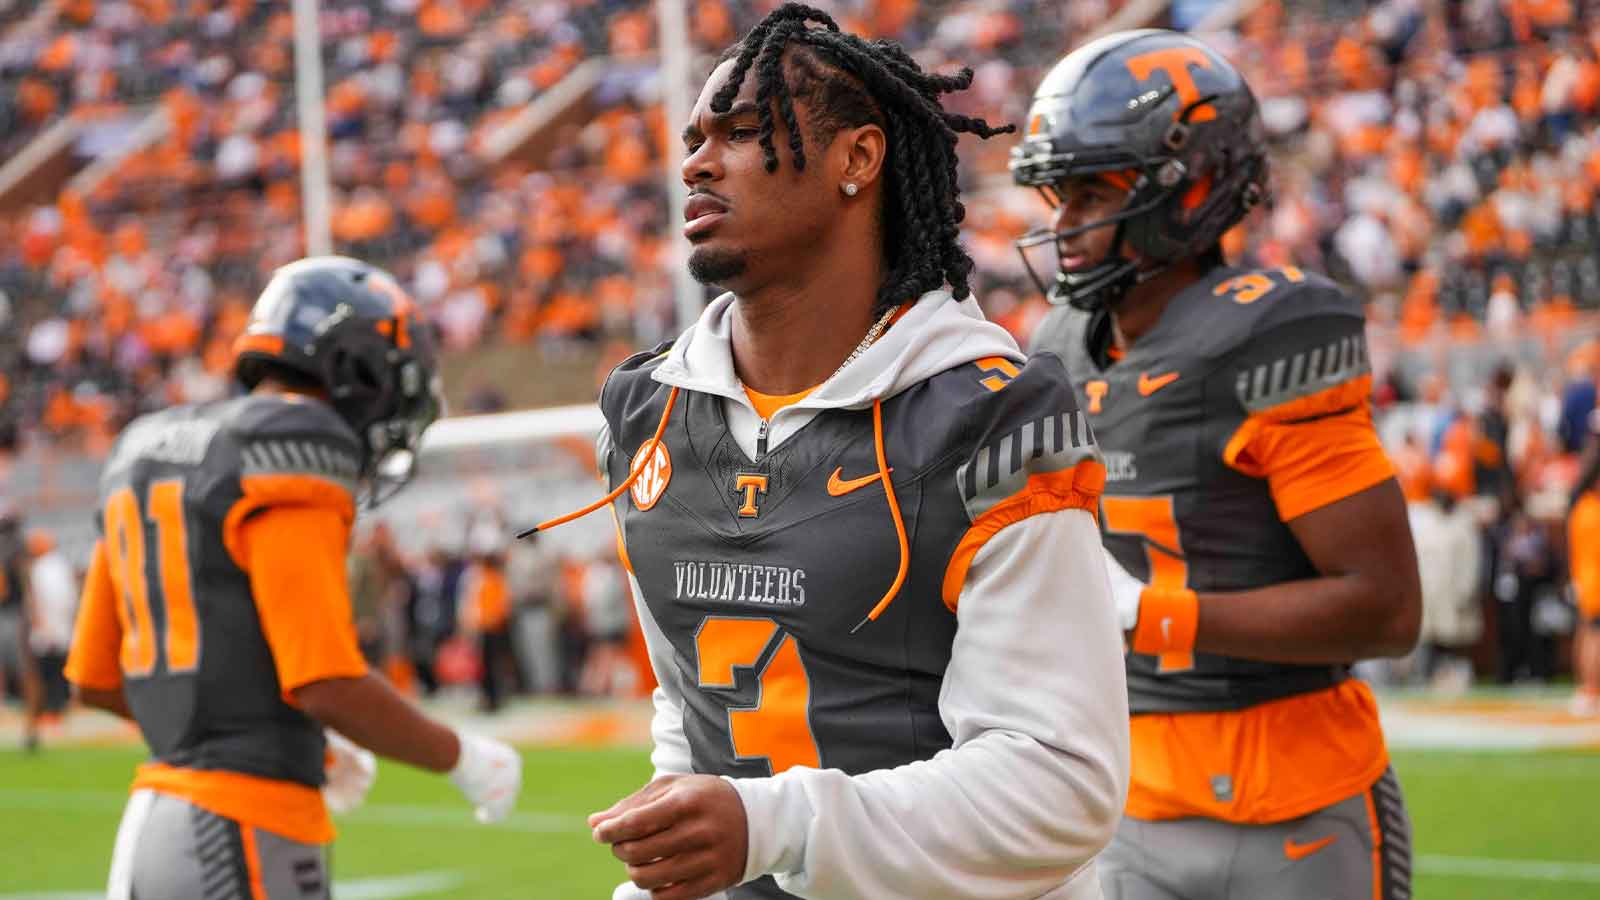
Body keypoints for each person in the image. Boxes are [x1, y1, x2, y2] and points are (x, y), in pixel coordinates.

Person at [529, 6, 1128, 899]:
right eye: (695, 138)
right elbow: (692, 708)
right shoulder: (647, 406)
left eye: (740, 132)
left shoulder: (984, 414)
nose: (696, 161)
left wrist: (773, 825)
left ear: (858, 158)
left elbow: (1059, 783)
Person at [1012, 29, 1423, 900]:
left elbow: (1384, 609)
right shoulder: (1059, 347)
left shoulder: (1270, 332)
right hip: (1126, 799)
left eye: (1094, 192)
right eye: (1058, 195)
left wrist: (1152, 617)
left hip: (1300, 800)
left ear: (1191, 190)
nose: (1064, 225)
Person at [63, 257, 523, 900]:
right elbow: (324, 679)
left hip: (152, 827)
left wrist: (282, 734)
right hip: (245, 833)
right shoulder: (293, 447)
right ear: (357, 369)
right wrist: (463, 758)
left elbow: (95, 676)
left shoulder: (149, 444)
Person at [1568, 430, 1600, 716]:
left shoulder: (1582, 507)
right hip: (1595, 581)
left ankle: (1586, 686)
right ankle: (1591, 688)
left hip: (1584, 578)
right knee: (1594, 634)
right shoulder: (1592, 510)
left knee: (1587, 632)